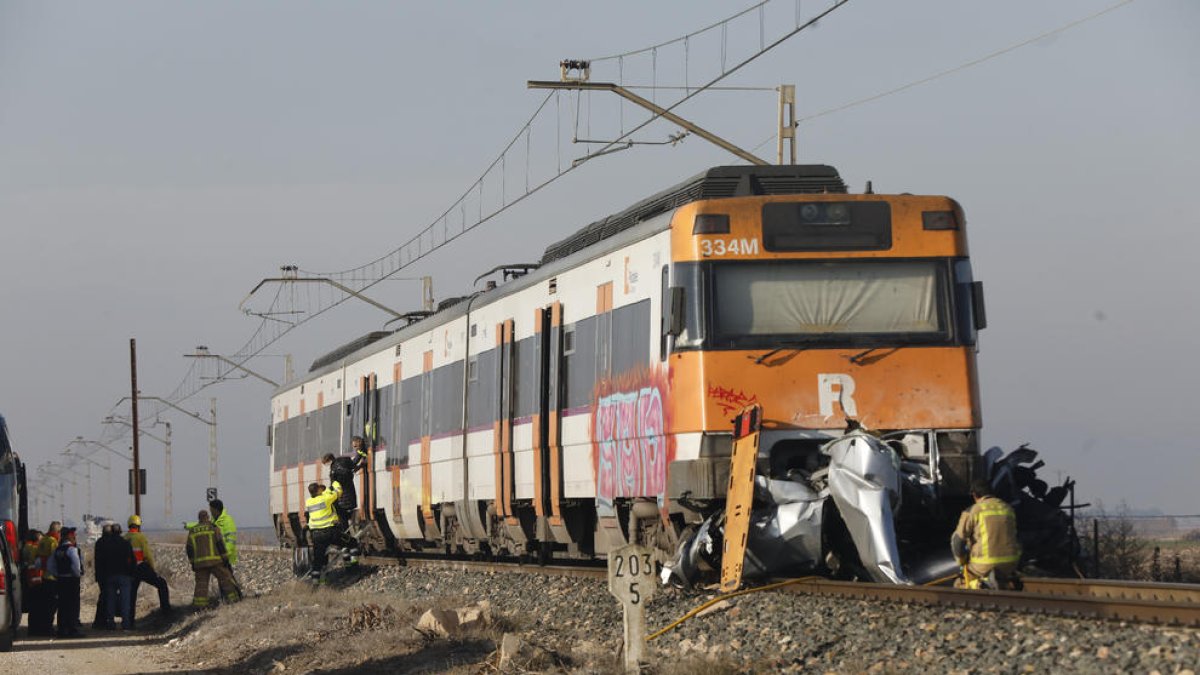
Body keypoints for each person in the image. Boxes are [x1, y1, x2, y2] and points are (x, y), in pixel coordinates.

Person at [951, 480, 1022, 589]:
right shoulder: (1008, 508)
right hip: (1010, 563)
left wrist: (961, 561)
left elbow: (958, 540)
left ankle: (981, 585)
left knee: (959, 584)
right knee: (1001, 580)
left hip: (984, 564)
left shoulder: (973, 510)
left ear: (974, 495)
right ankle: (1005, 584)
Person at [186, 510, 238, 608]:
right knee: (226, 579)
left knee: (201, 585)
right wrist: (225, 558)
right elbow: (220, 544)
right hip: (215, 562)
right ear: (207, 517)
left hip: (200, 564)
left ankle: (199, 607)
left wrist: (193, 563)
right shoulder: (214, 528)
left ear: (199, 518)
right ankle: (234, 600)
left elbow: (189, 549)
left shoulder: (192, 530)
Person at [126, 515, 171, 615]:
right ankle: (166, 611)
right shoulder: (140, 537)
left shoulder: (124, 538)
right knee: (161, 584)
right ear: (138, 526)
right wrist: (152, 568)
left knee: (131, 595)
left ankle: (129, 622)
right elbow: (147, 554)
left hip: (129, 570)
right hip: (141, 567)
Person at [94, 522, 136, 629]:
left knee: (110, 601)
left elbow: (101, 562)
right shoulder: (126, 543)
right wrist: (132, 574)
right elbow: (132, 560)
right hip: (124, 576)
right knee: (125, 600)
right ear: (120, 532)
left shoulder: (105, 544)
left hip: (110, 576)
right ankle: (126, 624)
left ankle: (110, 623)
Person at [47, 527, 83, 637]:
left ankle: (62, 629)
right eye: (73, 535)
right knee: (73, 605)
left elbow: (50, 566)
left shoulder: (57, 550)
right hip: (71, 580)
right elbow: (76, 566)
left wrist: (57, 574)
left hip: (60, 580)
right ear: (69, 536)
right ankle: (72, 629)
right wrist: (77, 575)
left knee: (62, 605)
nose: (75, 537)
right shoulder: (72, 549)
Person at [304, 482, 343, 583]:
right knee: (351, 543)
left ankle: (317, 584)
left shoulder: (308, 502)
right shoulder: (325, 499)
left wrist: (324, 490)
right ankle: (352, 567)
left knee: (318, 560)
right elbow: (338, 492)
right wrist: (335, 483)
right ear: (318, 491)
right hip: (330, 533)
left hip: (316, 535)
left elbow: (320, 497)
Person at [28, 522, 62, 636]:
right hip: (51, 576)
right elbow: (55, 557)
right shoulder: (52, 541)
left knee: (43, 604)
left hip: (42, 576)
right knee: (51, 605)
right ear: (57, 531)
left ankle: (41, 627)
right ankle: (48, 628)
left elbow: (38, 558)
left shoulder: (43, 540)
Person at [20, 530, 42, 621]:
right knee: (36, 602)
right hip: (35, 576)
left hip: (31, 576)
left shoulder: (27, 546)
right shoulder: (32, 547)